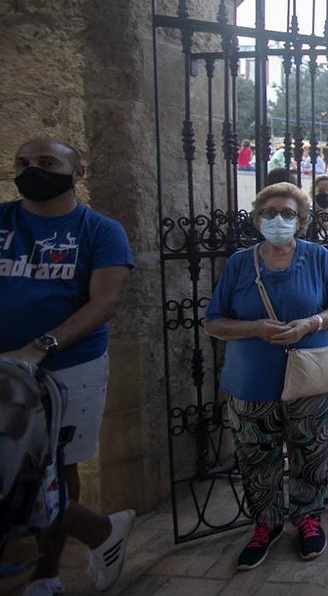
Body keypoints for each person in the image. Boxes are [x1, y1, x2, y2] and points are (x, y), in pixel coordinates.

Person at [1, 138, 136, 595]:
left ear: (76, 173)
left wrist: (42, 346)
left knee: (56, 470)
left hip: (69, 367)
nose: (31, 169)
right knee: (31, 474)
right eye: (23, 163)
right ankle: (99, 532)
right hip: (4, 369)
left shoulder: (99, 230)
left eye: (46, 163)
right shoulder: (3, 221)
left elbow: (106, 301)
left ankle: (46, 573)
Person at [203, 182, 328, 570]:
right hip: (251, 380)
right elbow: (213, 322)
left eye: (287, 213)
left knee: (311, 449)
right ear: (256, 219)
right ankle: (265, 523)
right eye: (269, 212)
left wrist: (309, 324)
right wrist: (254, 329)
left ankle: (307, 516)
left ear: (301, 221)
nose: (278, 219)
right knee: (256, 455)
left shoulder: (317, 257)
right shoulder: (239, 263)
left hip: (308, 376)